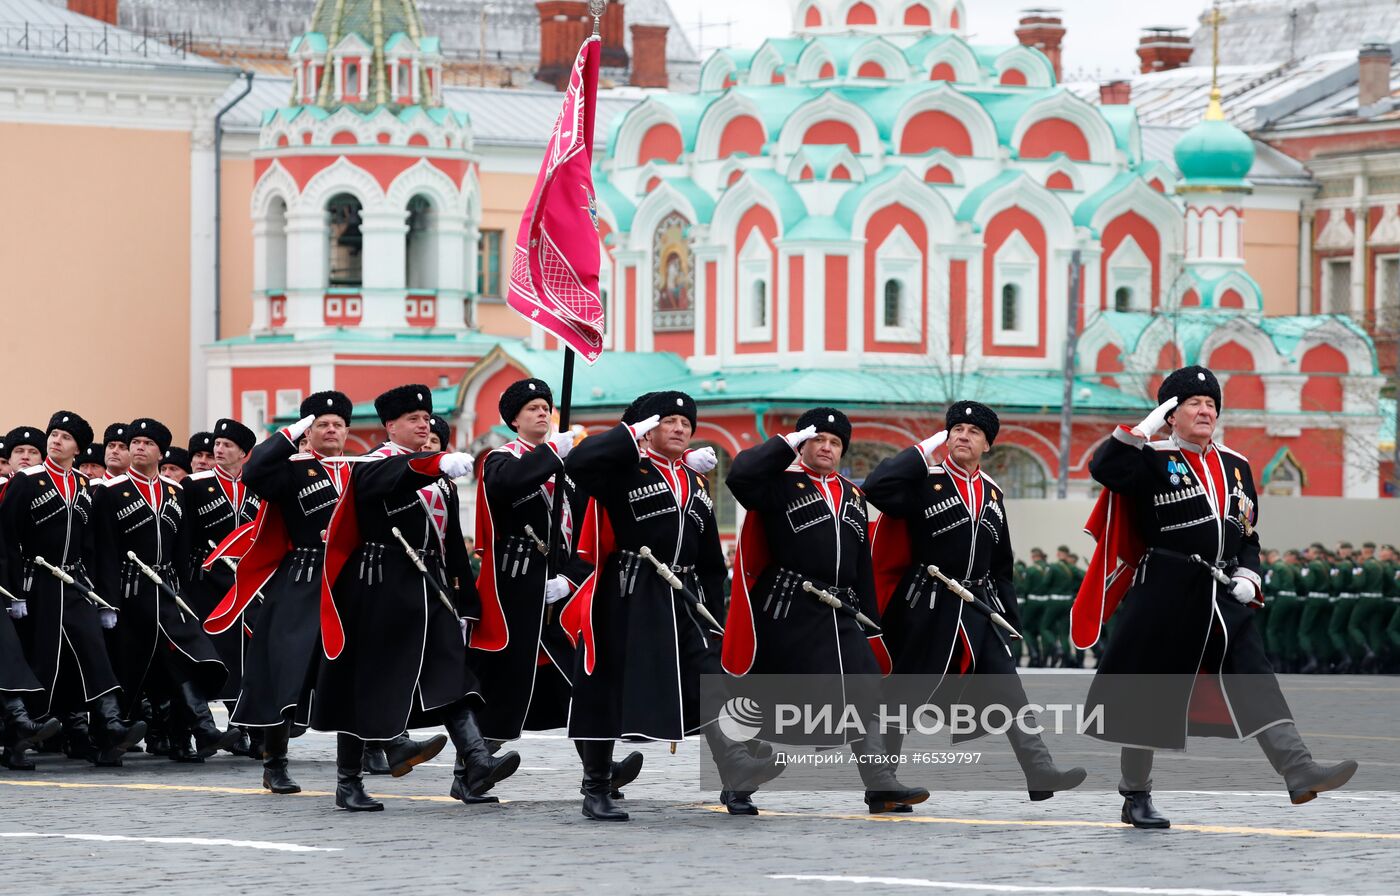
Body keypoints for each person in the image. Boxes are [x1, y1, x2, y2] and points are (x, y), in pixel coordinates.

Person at [1075, 365, 1356, 829]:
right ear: (1171, 413)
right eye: (1192, 404)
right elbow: (1105, 469)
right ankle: (1135, 794)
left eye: (1211, 405)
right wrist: (1144, 428)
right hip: (1165, 590)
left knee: (1255, 677)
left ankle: (1298, 769)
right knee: (1150, 694)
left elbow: (1247, 532)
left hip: (1222, 594)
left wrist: (1249, 573)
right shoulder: (1150, 456)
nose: (1205, 411)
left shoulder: (1236, 465)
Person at [864, 402, 1084, 805]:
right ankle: (883, 785)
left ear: (988, 444)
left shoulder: (992, 493)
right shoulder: (921, 481)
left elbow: (1001, 563)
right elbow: (875, 488)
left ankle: (1039, 770)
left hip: (978, 608)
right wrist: (919, 451)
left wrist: (1007, 616)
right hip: (925, 606)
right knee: (902, 695)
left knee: (1009, 687)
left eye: (973, 431)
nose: (963, 435)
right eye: (956, 429)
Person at [314, 385, 518, 812]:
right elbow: (385, 480)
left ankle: (477, 762)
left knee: (452, 674)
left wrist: (467, 597)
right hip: (380, 586)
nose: (424, 425)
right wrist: (434, 462)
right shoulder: (374, 464)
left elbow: (451, 545)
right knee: (366, 682)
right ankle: (349, 781)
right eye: (413, 419)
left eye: (427, 419)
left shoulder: (435, 474)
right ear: (390, 426)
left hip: (431, 586)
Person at [725, 407, 925, 815]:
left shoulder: (852, 493)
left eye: (835, 443)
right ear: (803, 444)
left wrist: (871, 623)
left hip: (841, 611)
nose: (827, 448)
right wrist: (786, 445)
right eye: (819, 440)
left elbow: (861, 563)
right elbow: (740, 476)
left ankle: (880, 785)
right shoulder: (778, 484)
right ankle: (739, 779)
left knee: (866, 688)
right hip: (786, 606)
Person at [561, 391, 732, 821]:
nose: (679, 429)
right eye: (669, 421)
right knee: (607, 686)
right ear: (648, 428)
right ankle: (597, 785)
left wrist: (716, 612)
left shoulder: (695, 480)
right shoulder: (621, 469)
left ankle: (737, 778)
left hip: (684, 595)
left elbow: (710, 557)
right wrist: (628, 433)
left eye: (686, 423)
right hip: (628, 591)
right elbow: (578, 464)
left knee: (713, 680)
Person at [469, 379, 633, 803]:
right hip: (517, 583)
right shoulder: (500, 459)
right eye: (532, 409)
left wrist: (572, 577)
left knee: (579, 677)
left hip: (559, 585)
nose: (542, 414)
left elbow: (584, 526)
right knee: (509, 678)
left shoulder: (567, 465)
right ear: (514, 419)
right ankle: (472, 766)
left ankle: (599, 767)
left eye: (546, 407)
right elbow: (508, 486)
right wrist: (552, 454)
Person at [211, 393, 355, 795]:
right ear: (308, 431)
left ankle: (373, 753)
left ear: (347, 432)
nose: (330, 430)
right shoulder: (292, 470)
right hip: (302, 578)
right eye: (321, 424)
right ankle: (274, 760)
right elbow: (253, 471)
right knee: (287, 672)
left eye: (337, 424)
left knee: (353, 670)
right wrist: (287, 434)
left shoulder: (357, 471)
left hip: (348, 581)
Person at [90, 418, 239, 761]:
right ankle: (112, 737)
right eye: (134, 443)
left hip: (168, 592)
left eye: (147, 443)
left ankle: (198, 730)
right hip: (130, 591)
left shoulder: (175, 492)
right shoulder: (109, 492)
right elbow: (104, 551)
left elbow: (183, 549)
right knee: (131, 665)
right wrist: (108, 603)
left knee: (184, 655)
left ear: (160, 451)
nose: (139, 448)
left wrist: (185, 594)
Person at [0, 411, 145, 767]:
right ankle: (17, 740)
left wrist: (104, 598)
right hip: (38, 584)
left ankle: (109, 725)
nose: (55, 441)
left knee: (93, 651)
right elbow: (6, 539)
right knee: (42, 660)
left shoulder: (84, 485)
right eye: (53, 435)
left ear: (78, 448)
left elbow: (96, 546)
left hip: (76, 584)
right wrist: (13, 591)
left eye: (65, 437)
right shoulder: (27, 481)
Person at [179, 418, 262, 758]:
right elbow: (183, 539)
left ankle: (243, 729)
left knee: (248, 658)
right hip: (206, 583)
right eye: (217, 443)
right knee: (211, 656)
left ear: (244, 453)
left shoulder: (259, 487)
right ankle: (197, 731)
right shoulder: (194, 484)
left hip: (248, 583)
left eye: (228, 444)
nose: (219, 449)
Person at [1297, 543, 1333, 673]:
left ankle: (1312, 660)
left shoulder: (1312, 565)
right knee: (1320, 632)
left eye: (1310, 552)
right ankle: (1324, 663)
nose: (1308, 554)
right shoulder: (1326, 565)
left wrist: (1304, 575)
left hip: (1314, 599)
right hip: (1325, 599)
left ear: (1315, 554)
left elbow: (1309, 583)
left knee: (1304, 631)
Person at [1264, 549, 1302, 672]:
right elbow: (1301, 581)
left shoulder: (1275, 567)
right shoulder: (1290, 567)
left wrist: (1268, 584)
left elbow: (1274, 584)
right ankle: (1289, 661)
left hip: (1282, 598)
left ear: (1271, 557)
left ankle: (1277, 662)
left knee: (1272, 629)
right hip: (1294, 597)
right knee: (1288, 630)